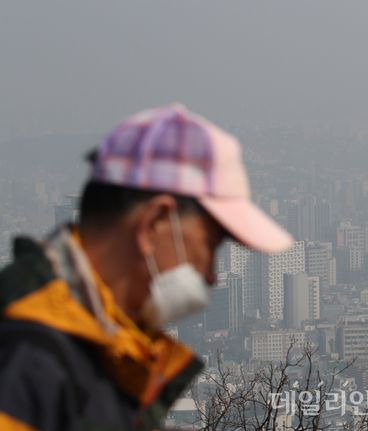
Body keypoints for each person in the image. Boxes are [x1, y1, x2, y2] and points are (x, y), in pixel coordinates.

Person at [0, 104, 293, 431]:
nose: (212, 275)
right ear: (153, 223)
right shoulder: (28, 363)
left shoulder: (97, 357)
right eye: (210, 245)